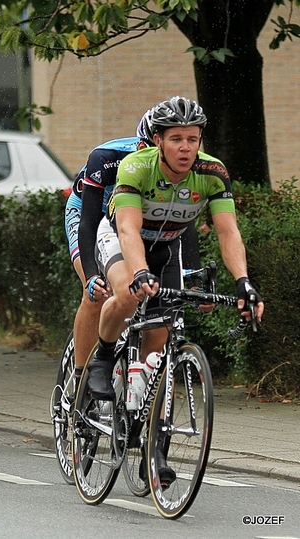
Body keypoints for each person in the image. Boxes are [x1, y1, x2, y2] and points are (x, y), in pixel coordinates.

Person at [84, 95, 264, 485]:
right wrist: (139, 272)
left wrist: (243, 282)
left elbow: (228, 231)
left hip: (167, 246)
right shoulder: (136, 166)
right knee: (129, 293)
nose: (186, 148)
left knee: (161, 352)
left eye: (193, 139)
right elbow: (128, 228)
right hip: (119, 238)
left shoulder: (213, 172)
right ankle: (103, 355)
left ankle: (156, 451)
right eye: (177, 139)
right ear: (158, 140)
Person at [64, 110, 154, 387]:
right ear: (142, 147)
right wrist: (91, 275)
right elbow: (89, 223)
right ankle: (81, 379)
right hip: (90, 215)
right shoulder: (106, 158)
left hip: (128, 219)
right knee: (98, 293)